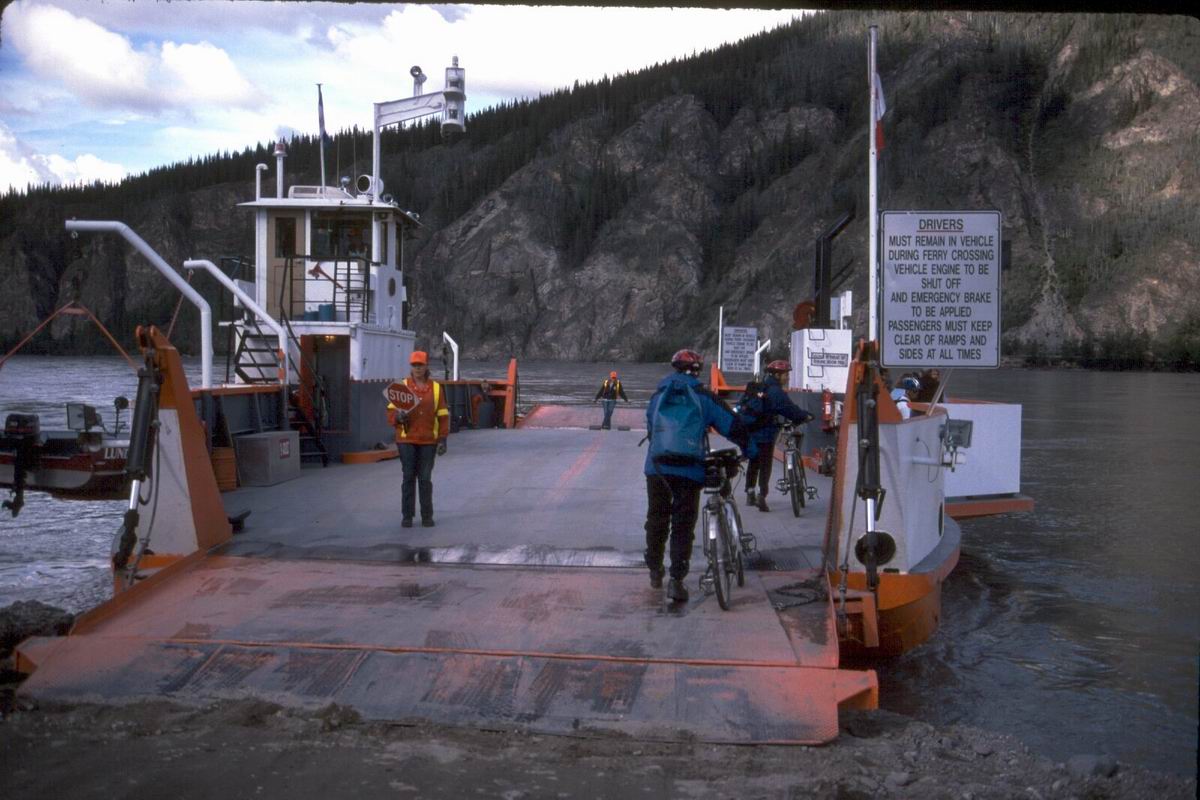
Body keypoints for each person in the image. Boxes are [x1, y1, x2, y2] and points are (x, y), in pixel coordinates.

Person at [643, 349, 749, 603]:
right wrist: (750, 450)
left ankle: (655, 570)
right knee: (682, 524)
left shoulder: (658, 395)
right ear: (698, 370)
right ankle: (677, 581)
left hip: (657, 467)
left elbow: (651, 429)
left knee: (657, 518)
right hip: (690, 468)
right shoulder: (702, 396)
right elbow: (732, 425)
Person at [388, 350, 450, 528]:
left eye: (420, 365)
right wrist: (397, 417)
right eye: (414, 365)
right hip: (406, 439)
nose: (417, 368)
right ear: (411, 366)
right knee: (408, 476)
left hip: (428, 440)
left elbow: (443, 415)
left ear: (426, 366)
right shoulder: (401, 386)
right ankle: (407, 516)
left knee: (425, 478)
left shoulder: (437, 388)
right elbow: (390, 412)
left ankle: (427, 516)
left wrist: (443, 439)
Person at [743, 360, 814, 512]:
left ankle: (750, 492)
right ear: (777, 375)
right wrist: (804, 416)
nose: (787, 378)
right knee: (765, 464)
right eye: (785, 374)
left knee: (754, 461)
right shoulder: (775, 391)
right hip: (766, 433)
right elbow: (788, 409)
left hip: (751, 430)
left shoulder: (761, 386)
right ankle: (762, 495)